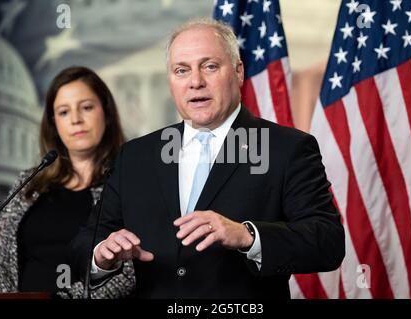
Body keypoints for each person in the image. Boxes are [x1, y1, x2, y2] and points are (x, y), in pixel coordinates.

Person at [71, 19, 345, 299]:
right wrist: (102, 255)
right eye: (181, 70)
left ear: (238, 72)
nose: (195, 82)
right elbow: (84, 245)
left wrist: (246, 236)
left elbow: (328, 243)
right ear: (170, 81)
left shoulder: (287, 148)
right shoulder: (136, 156)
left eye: (210, 66)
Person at [0, 66, 135, 298]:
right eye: (64, 112)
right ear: (54, 124)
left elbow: (130, 271)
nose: (76, 120)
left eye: (86, 107)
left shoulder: (130, 183)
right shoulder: (29, 183)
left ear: (106, 114)